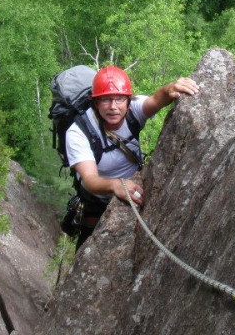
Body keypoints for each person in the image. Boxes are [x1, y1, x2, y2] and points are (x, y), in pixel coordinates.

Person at [65, 65, 199, 248]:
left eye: (119, 99)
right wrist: (115, 185)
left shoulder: (133, 110)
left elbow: (157, 100)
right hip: (97, 201)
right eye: (105, 100)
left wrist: (170, 89)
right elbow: (89, 179)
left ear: (128, 100)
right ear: (95, 103)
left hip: (135, 186)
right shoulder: (78, 132)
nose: (113, 107)